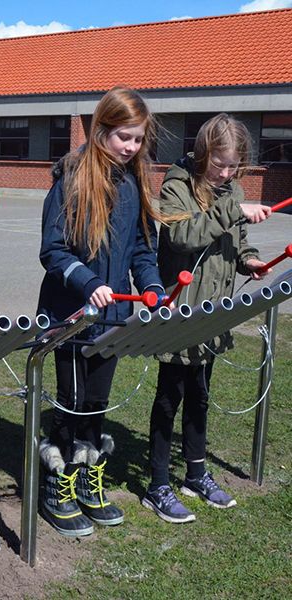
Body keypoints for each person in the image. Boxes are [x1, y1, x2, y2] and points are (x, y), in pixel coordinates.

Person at [37, 87, 165, 537]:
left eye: (137, 140)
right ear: (100, 131)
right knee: (70, 402)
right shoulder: (71, 178)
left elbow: (141, 250)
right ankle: (59, 482)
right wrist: (89, 285)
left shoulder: (133, 183)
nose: (130, 147)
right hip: (70, 317)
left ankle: (88, 479)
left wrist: (151, 286)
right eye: (122, 137)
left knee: (95, 404)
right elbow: (52, 252)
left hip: (112, 320)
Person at [143, 113, 271, 524]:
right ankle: (157, 483)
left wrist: (250, 262)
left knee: (200, 396)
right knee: (169, 397)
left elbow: (238, 241)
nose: (227, 172)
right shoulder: (177, 183)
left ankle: (195, 473)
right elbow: (182, 238)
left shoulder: (232, 189)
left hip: (213, 314)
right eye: (219, 164)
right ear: (202, 154)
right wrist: (232, 210)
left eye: (234, 166)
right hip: (180, 311)